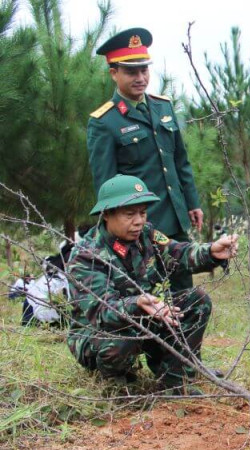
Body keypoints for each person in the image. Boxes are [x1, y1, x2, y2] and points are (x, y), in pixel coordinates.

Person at [67, 175, 238, 395]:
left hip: (147, 313)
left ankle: (176, 379)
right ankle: (117, 382)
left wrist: (211, 251)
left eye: (143, 212)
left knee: (196, 301)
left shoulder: (146, 235)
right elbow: (102, 312)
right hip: (101, 334)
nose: (138, 221)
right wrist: (136, 303)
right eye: (130, 214)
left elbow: (179, 253)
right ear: (107, 214)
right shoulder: (85, 257)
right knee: (120, 338)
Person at [87, 28, 202, 293]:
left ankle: (186, 336)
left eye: (144, 70)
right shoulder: (104, 122)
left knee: (184, 291)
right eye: (131, 72)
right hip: (137, 227)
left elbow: (179, 162)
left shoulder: (163, 107)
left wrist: (192, 203)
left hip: (174, 218)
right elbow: (105, 185)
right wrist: (120, 227)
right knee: (144, 297)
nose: (140, 78)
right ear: (114, 73)